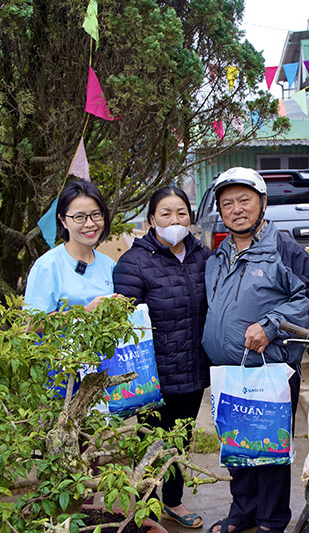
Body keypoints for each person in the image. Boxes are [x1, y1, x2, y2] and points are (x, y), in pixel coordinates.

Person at [202, 167, 309, 533]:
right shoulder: (218, 255)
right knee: (238, 447)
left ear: (262, 203)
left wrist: (272, 326)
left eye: (244, 200)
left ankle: (271, 520)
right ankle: (242, 512)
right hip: (230, 370)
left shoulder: (282, 248)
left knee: (270, 450)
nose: (236, 209)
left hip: (270, 370)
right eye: (228, 203)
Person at [113, 186, 211, 529]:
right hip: (154, 374)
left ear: (191, 217)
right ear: (151, 219)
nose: (174, 220)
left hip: (194, 369)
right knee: (150, 442)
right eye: (165, 213)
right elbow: (126, 323)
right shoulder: (134, 262)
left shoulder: (203, 255)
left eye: (181, 213)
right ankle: (146, 512)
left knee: (180, 440)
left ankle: (173, 502)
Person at [24, 180, 116, 315]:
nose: (90, 223)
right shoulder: (48, 265)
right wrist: (84, 312)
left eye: (96, 214)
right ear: (63, 221)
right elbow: (31, 322)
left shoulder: (109, 265)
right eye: (79, 217)